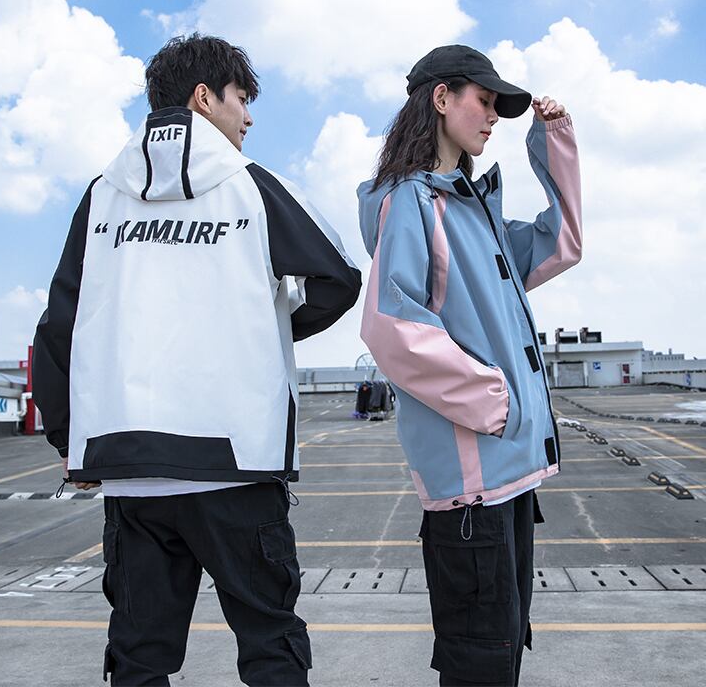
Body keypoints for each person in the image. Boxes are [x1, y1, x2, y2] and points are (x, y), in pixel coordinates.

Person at [32, 33, 361, 687]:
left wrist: (72, 441)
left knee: (139, 657)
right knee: (270, 647)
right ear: (204, 98)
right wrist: (261, 333)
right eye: (242, 98)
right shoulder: (250, 185)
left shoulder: (102, 194)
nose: (249, 117)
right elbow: (339, 277)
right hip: (235, 465)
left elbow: (59, 325)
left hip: (131, 472)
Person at [358, 44, 582, 686]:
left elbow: (562, 243)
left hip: (508, 479)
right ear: (441, 97)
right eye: (482, 100)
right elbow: (391, 327)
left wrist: (555, 142)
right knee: (480, 664)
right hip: (471, 489)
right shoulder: (411, 202)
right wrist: (497, 401)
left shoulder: (475, 214)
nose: (490, 117)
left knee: (501, 655)